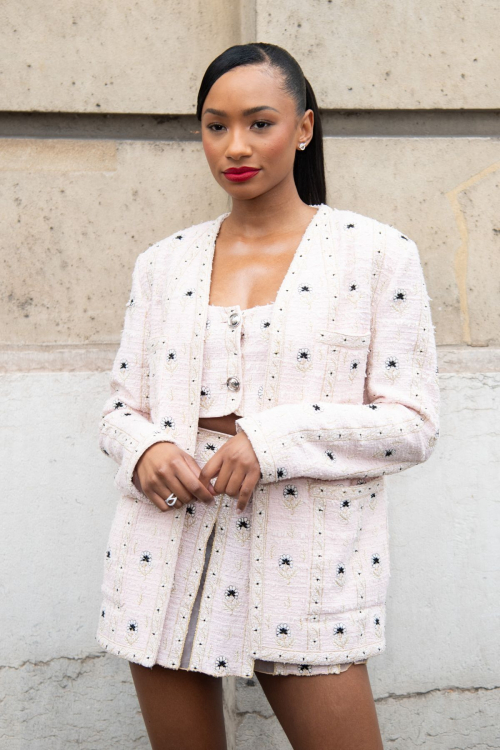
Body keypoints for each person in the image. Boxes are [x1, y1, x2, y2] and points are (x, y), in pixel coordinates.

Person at [96, 42, 440, 750]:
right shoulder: (163, 263)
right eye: (215, 126)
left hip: (304, 553)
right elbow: (118, 407)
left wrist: (271, 439)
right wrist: (146, 448)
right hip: (165, 547)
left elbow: (411, 423)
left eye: (260, 123)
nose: (235, 146)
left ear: (305, 127)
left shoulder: (375, 254)